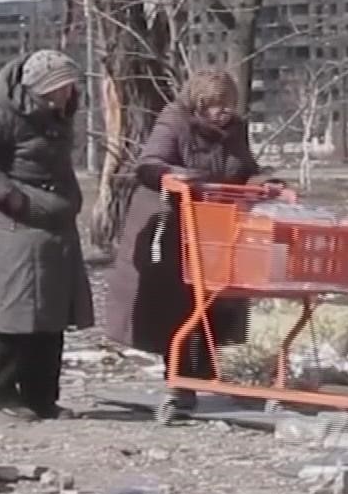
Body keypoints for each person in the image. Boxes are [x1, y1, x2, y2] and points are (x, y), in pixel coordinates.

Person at [100, 69, 262, 411]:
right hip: (173, 223)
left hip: (217, 224)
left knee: (218, 300)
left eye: (227, 106)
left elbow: (246, 166)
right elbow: (149, 164)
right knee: (177, 305)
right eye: (214, 106)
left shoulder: (236, 130)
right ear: (198, 104)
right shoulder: (175, 120)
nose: (222, 113)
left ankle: (205, 371)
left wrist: (266, 181)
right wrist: (175, 175)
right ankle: (178, 378)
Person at [0, 49, 92, 422]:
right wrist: (6, 193)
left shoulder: (60, 115)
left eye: (70, 85)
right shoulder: (4, 115)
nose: (68, 93)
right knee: (16, 314)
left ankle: (42, 397)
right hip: (13, 226)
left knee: (51, 316)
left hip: (53, 229)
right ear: (41, 88)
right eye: (61, 87)